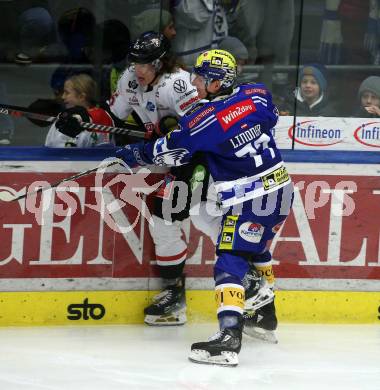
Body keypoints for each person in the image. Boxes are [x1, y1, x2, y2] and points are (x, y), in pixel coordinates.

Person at [114, 49, 294, 366]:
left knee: (229, 260)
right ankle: (265, 317)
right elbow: (267, 120)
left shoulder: (204, 120)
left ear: (213, 83)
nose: (194, 81)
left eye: (199, 76)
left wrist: (135, 154)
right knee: (223, 226)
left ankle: (229, 339)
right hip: (281, 189)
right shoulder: (258, 94)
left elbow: (165, 149)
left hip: (250, 197)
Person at [55, 31, 204, 326]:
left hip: (200, 158)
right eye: (135, 63)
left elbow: (201, 129)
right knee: (164, 218)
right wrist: (81, 118)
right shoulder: (130, 80)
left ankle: (251, 283)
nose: (139, 70)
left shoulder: (179, 84)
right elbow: (111, 116)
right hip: (167, 156)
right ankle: (175, 295)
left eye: (146, 64)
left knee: (203, 218)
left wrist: (172, 132)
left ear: (161, 63)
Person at [46, 73, 114, 147]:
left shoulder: (100, 116)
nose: (63, 97)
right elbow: (49, 145)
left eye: (67, 93)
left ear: (81, 96)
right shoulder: (64, 116)